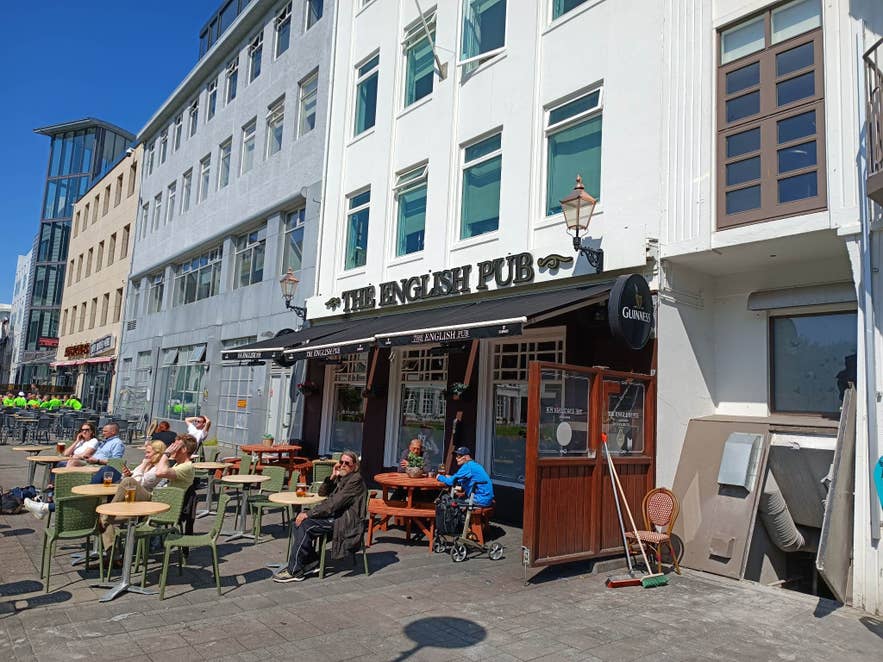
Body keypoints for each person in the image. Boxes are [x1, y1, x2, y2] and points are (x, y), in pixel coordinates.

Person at [273, 449, 367, 583]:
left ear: (355, 466)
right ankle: (311, 562)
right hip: (335, 516)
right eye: (341, 462)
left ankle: (295, 570)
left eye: (348, 463)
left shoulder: (355, 480)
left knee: (305, 524)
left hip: (345, 521)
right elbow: (322, 493)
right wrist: (332, 476)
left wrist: (308, 513)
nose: (343, 465)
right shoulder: (342, 477)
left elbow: (333, 504)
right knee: (297, 522)